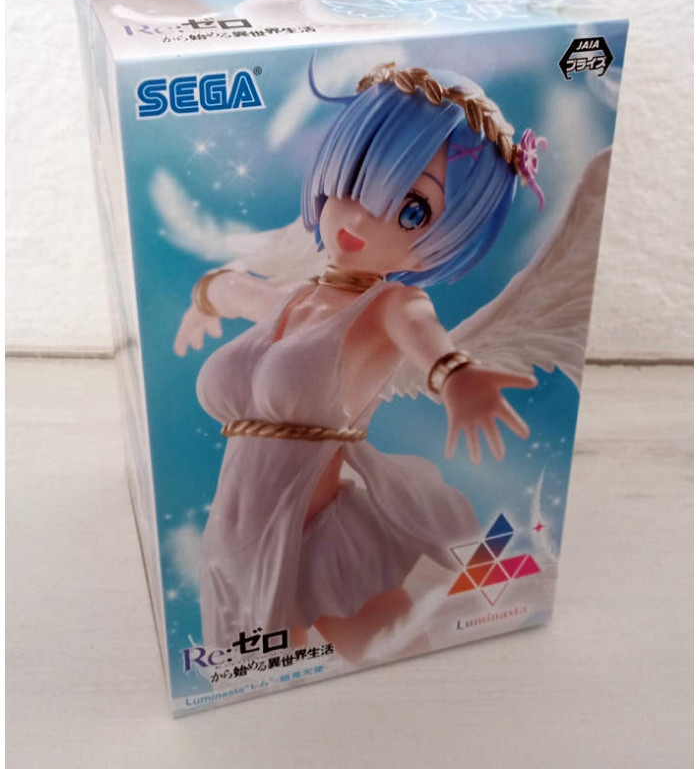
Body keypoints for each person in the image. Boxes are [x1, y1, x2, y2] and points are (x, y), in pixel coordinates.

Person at [174, 61, 548, 662]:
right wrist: (201, 301)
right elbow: (236, 288)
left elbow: (422, 334)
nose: (357, 218)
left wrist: (456, 376)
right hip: (234, 545)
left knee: (388, 655)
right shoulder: (292, 299)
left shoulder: (388, 304)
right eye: (354, 181)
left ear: (443, 238)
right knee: (254, 679)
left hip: (316, 542)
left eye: (412, 210)